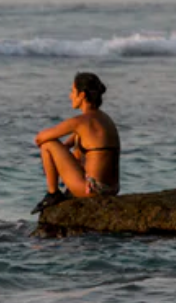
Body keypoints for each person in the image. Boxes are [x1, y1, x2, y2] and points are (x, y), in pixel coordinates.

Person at [31, 72, 120, 214]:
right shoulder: (104, 119)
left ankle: (53, 193)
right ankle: (67, 191)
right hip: (112, 188)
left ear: (82, 95)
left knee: (48, 144)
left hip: (94, 190)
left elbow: (39, 139)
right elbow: (65, 149)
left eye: (72, 92)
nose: (70, 96)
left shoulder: (79, 122)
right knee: (77, 149)